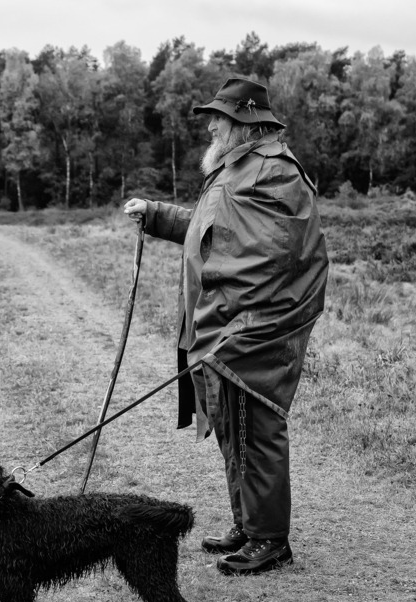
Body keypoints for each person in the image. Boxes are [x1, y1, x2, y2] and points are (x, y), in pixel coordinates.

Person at [122, 77, 328, 575]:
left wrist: (238, 327)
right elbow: (210, 229)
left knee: (255, 431)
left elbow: (277, 260)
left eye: (219, 116)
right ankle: (248, 523)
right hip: (226, 328)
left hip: (253, 331)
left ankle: (270, 540)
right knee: (234, 429)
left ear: (244, 121)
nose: (211, 124)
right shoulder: (240, 167)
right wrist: (155, 216)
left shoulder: (272, 172)